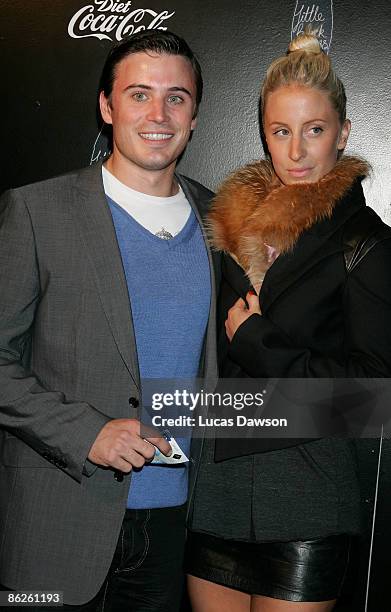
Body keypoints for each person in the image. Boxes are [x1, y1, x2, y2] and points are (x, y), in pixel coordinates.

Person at [0, 30, 217, 611]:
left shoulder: (222, 221)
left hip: (174, 528)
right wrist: (86, 431)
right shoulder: (35, 211)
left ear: (195, 114)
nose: (158, 113)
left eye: (177, 97)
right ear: (106, 105)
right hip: (55, 525)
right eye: (139, 94)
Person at [185, 32, 391, 611]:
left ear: (344, 134)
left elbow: (371, 396)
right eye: (281, 131)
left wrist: (260, 343)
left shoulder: (365, 243)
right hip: (218, 488)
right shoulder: (228, 230)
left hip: (307, 492)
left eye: (315, 130)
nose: (297, 151)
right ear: (264, 136)